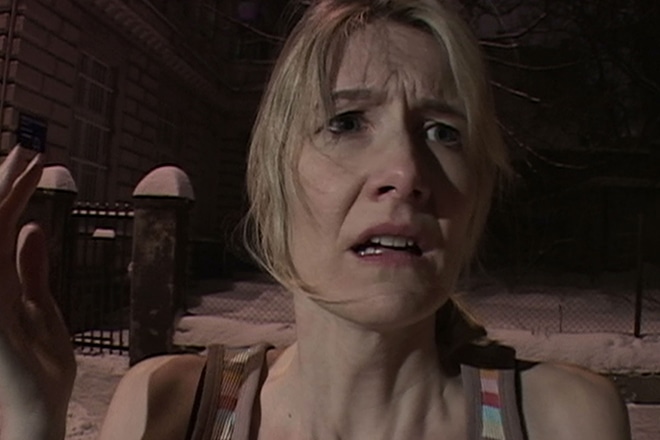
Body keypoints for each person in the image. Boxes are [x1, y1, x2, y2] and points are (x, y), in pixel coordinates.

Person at [0, 0, 631, 439]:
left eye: (444, 131)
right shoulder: (170, 410)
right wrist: (32, 422)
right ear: (274, 177)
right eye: (347, 122)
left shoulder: (562, 421)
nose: (406, 172)